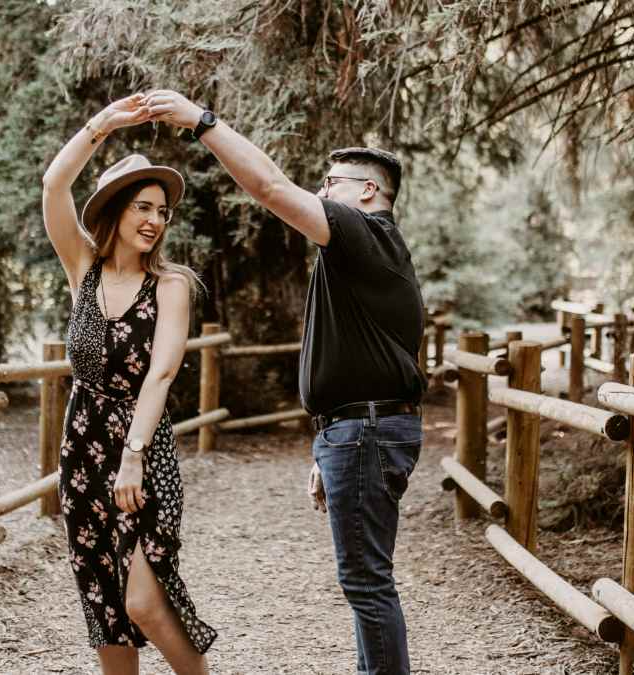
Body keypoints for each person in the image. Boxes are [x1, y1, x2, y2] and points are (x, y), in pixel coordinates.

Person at [144, 90, 425, 675]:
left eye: (332, 182)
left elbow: (270, 188)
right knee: (365, 581)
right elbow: (357, 360)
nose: (322, 193)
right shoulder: (361, 254)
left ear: (367, 191)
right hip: (357, 429)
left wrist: (203, 122)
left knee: (367, 583)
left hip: (366, 431)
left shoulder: (365, 234)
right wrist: (327, 440)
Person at [41, 93, 216, 675]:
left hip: (144, 451)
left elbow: (161, 372)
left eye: (163, 211)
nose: (155, 221)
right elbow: (52, 185)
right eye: (144, 206)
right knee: (104, 604)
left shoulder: (170, 286)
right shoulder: (82, 270)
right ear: (115, 210)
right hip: (81, 451)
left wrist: (134, 455)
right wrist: (103, 125)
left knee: (143, 601)